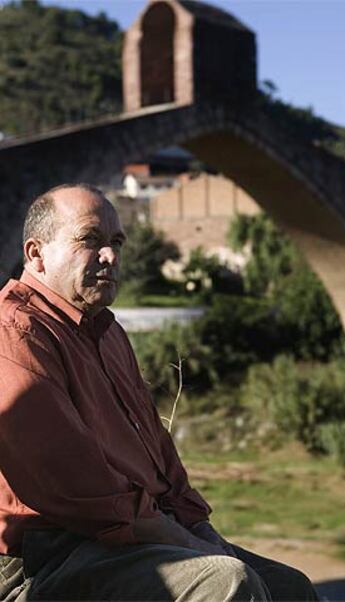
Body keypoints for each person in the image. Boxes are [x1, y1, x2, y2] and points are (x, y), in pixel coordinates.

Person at [0, 183, 318, 601]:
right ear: (36, 254)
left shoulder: (108, 333)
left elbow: (159, 456)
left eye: (116, 242)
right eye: (89, 240)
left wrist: (201, 531)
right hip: (47, 554)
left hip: (127, 533)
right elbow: (75, 487)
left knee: (289, 587)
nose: (111, 256)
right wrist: (185, 543)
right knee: (226, 583)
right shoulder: (17, 332)